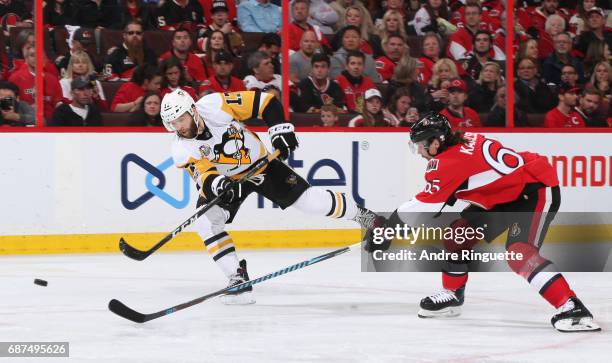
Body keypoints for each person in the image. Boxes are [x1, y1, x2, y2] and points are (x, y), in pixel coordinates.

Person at [366, 113, 600, 332]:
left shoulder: (446, 164)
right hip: (504, 193)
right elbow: (470, 177)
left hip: (533, 189)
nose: (418, 151)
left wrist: (386, 231)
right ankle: (452, 295)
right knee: (458, 235)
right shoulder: (464, 138)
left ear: (436, 142)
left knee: (520, 254)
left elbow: (423, 207)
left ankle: (572, 307)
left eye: (420, 145)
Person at [158, 88, 381, 303]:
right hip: (229, 181)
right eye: (173, 123)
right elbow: (204, 177)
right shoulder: (181, 148)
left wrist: (279, 130)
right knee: (206, 222)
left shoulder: (215, 105)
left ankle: (367, 217)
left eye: (181, 119)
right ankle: (237, 278)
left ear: (193, 111)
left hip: (263, 165)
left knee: (310, 203)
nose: (179, 127)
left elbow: (266, 102)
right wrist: (220, 185)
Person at [335, 50, 375, 114]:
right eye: (353, 63)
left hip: (366, 117)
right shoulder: (339, 81)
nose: (356, 67)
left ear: (363, 66)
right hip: (346, 118)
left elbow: (374, 103)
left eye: (359, 64)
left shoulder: (369, 82)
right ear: (346, 66)